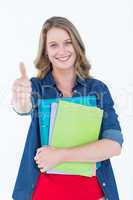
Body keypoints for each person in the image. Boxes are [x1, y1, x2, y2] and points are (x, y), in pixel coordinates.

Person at [12, 16, 123, 200]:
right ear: (45, 52)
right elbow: (23, 107)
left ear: (76, 46)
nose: (61, 50)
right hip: (45, 194)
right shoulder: (37, 87)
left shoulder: (97, 90)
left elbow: (113, 145)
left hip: (92, 194)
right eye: (53, 45)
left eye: (67, 43)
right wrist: (20, 96)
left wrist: (61, 156)